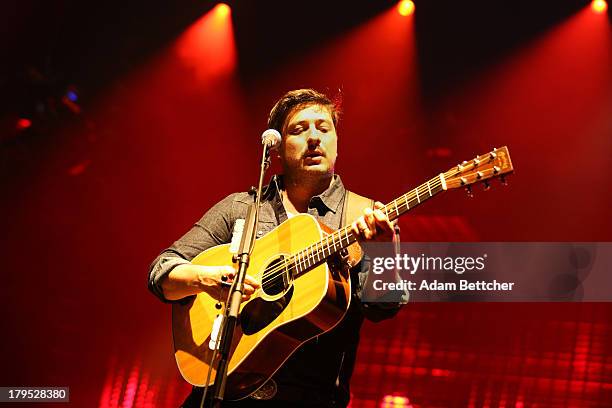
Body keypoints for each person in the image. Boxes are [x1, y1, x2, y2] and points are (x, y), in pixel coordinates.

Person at [148, 89, 406, 407]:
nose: (314, 138)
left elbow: (384, 308)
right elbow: (163, 273)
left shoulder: (361, 216)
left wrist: (386, 254)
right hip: (221, 396)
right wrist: (209, 279)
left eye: (323, 129)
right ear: (280, 148)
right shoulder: (242, 207)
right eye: (299, 129)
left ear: (337, 142)